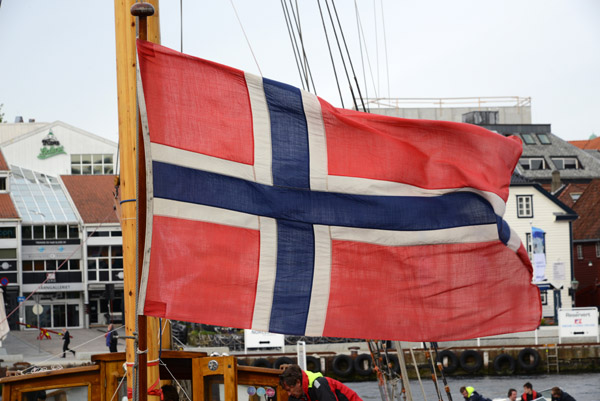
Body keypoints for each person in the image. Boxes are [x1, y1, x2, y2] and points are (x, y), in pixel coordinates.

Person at [279, 364, 362, 401]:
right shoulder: (298, 394)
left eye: (289, 390)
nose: (288, 394)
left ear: (298, 382)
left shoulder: (320, 384)